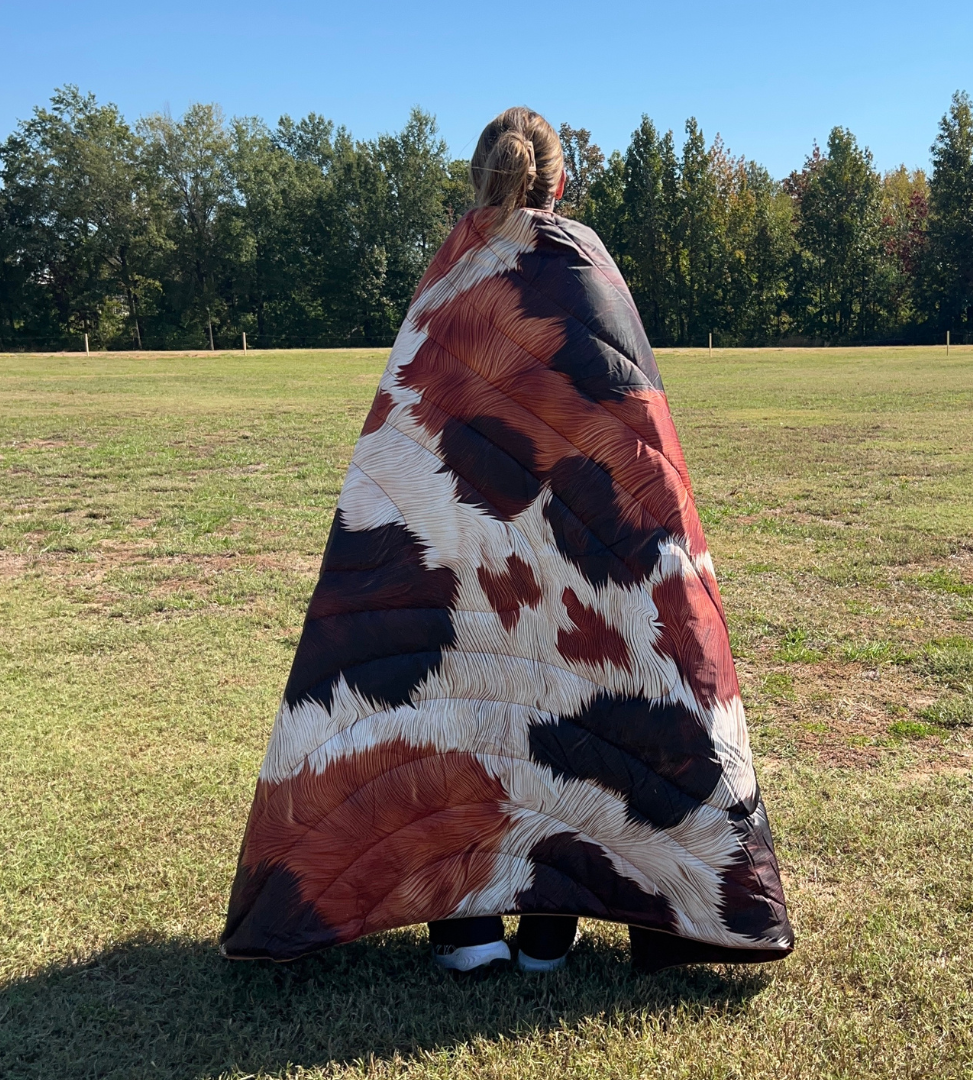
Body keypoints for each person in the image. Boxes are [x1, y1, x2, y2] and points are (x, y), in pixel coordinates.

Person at [220, 107, 793, 975]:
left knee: (459, 696)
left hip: (456, 556)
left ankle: (465, 931)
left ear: (477, 178)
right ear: (558, 183)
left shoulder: (449, 275)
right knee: (573, 705)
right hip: (580, 561)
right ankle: (553, 926)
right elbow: (638, 438)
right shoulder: (585, 263)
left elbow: (403, 446)